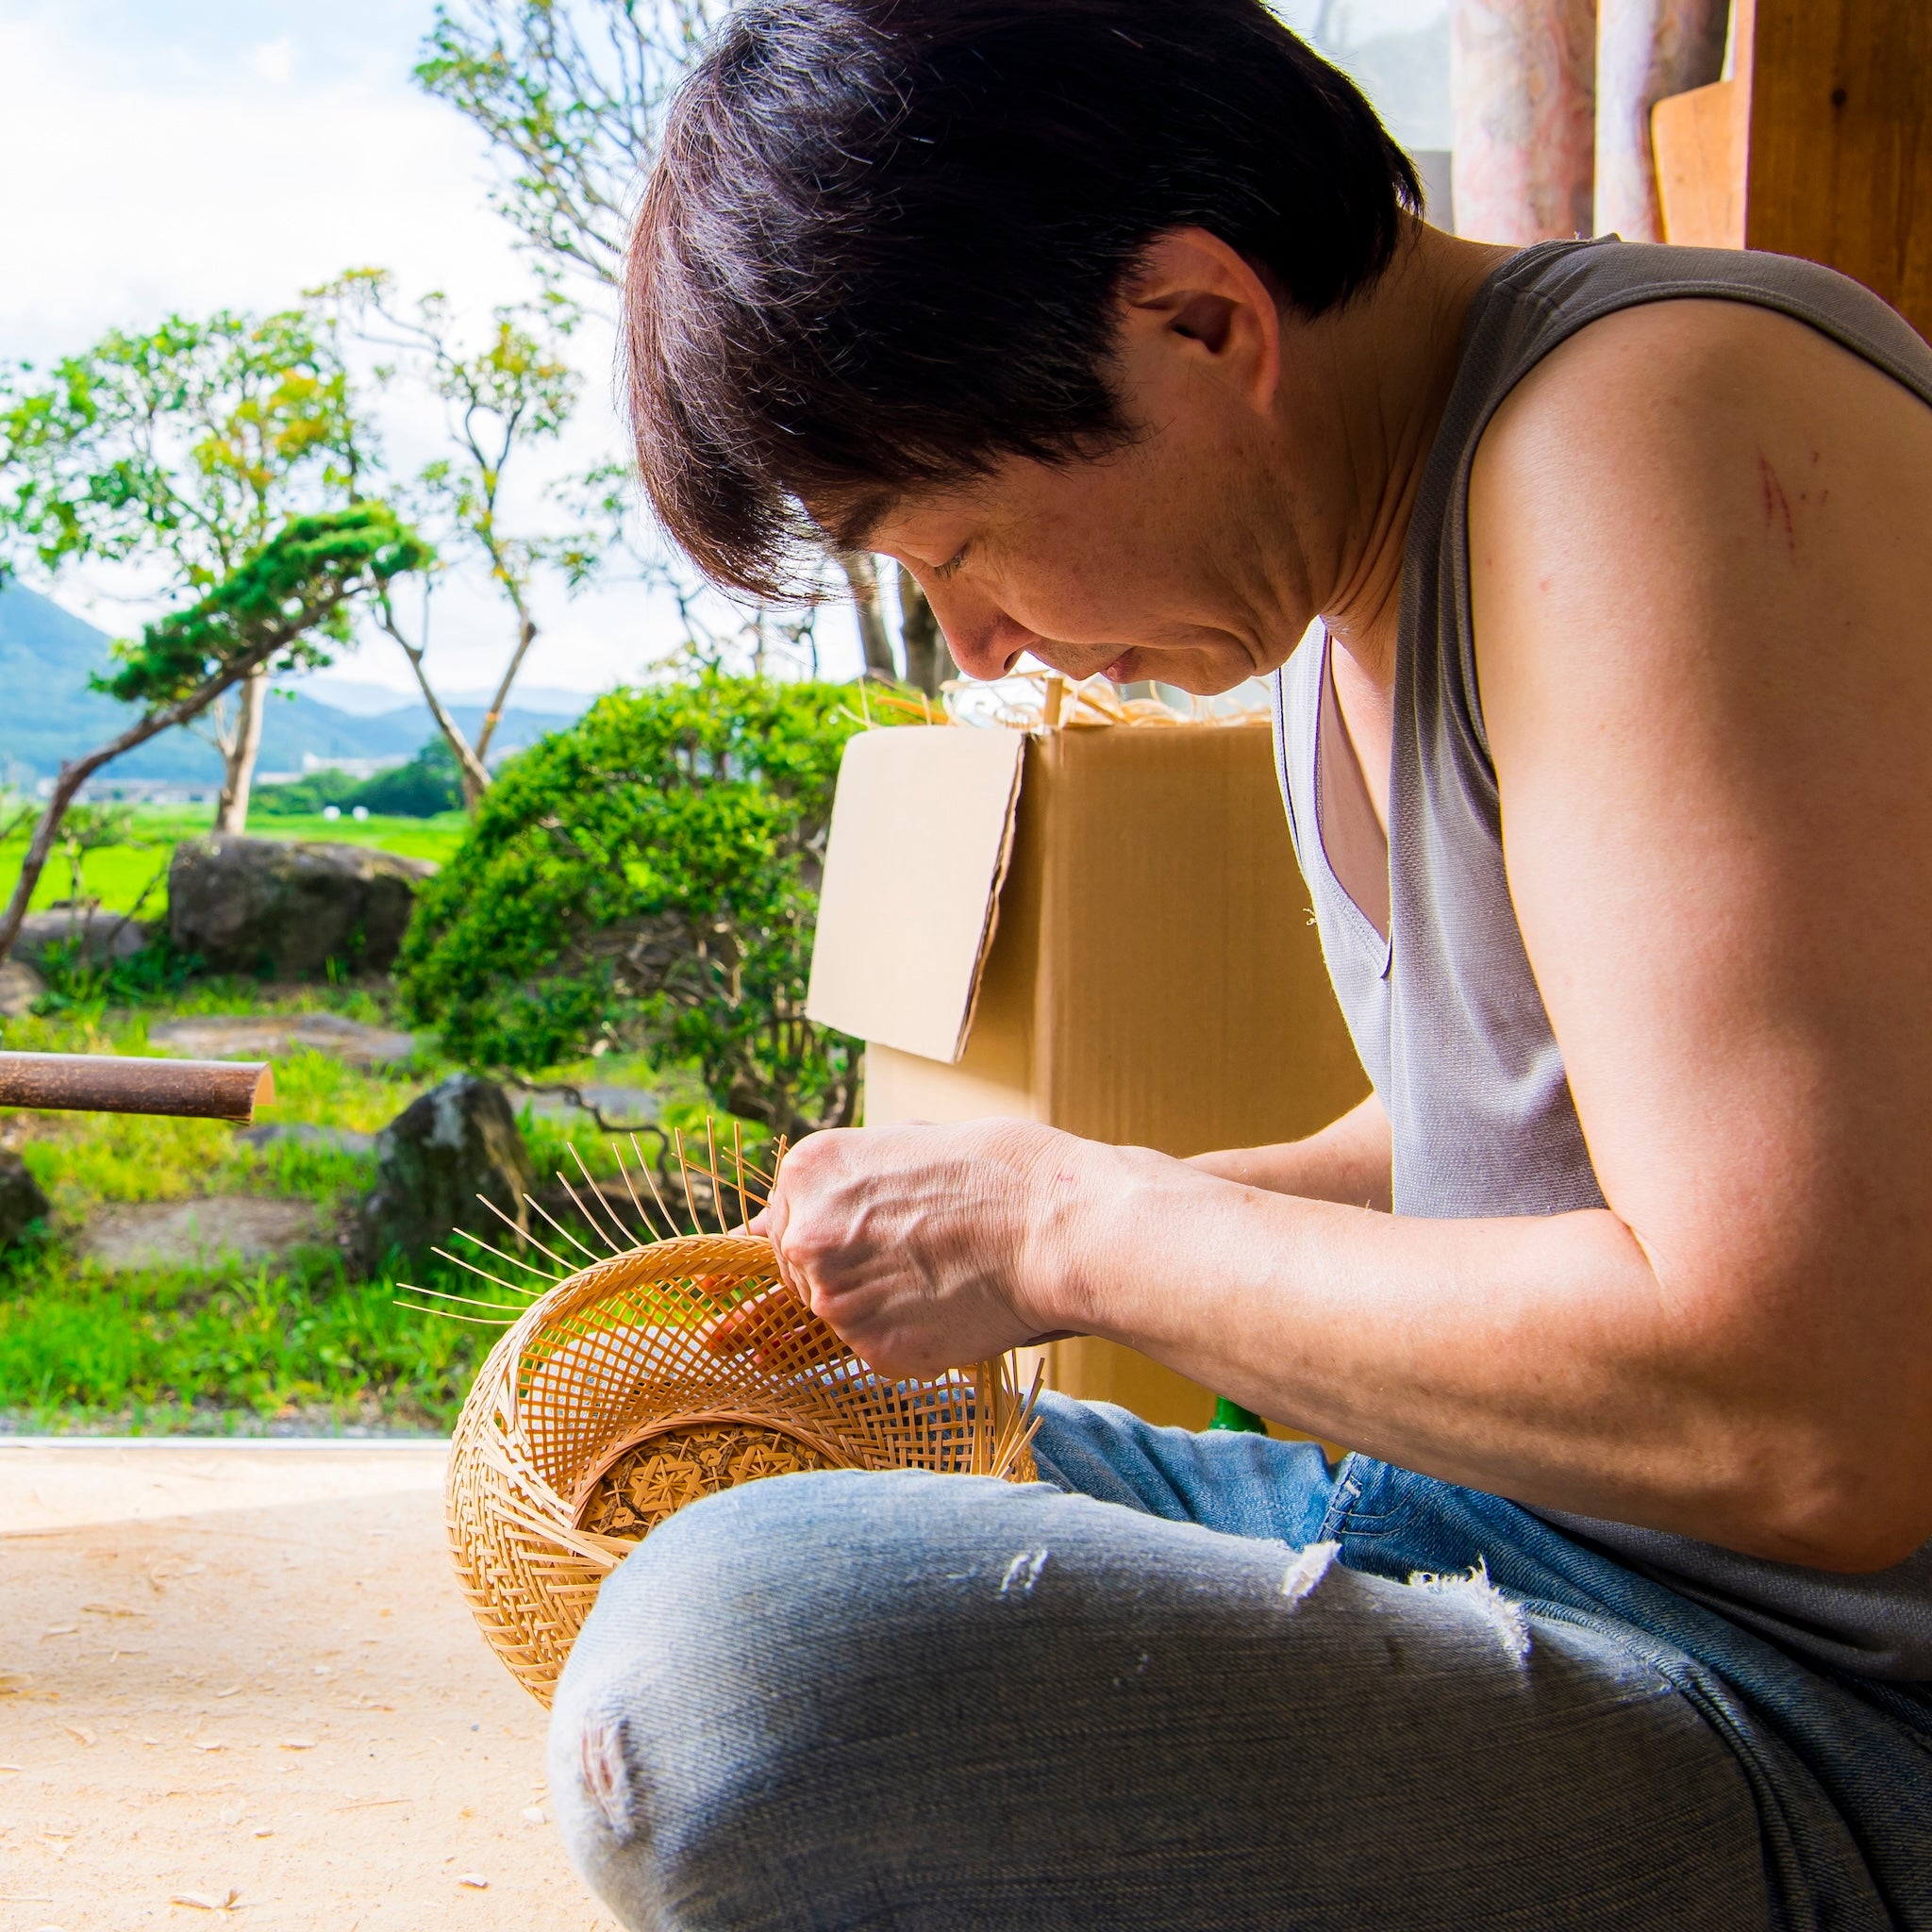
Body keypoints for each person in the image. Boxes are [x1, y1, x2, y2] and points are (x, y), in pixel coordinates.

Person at [548, 2, 1932, 1924]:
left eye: (961, 540)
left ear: (1200, 320)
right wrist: (1057, 1225)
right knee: (731, 1471)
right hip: (1536, 1544)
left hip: (1833, 1709)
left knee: (736, 1670)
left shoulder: (1643, 435)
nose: (979, 644)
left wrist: (1079, 1227)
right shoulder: (1345, 583)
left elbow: (1810, 1412)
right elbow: (1516, 1117)